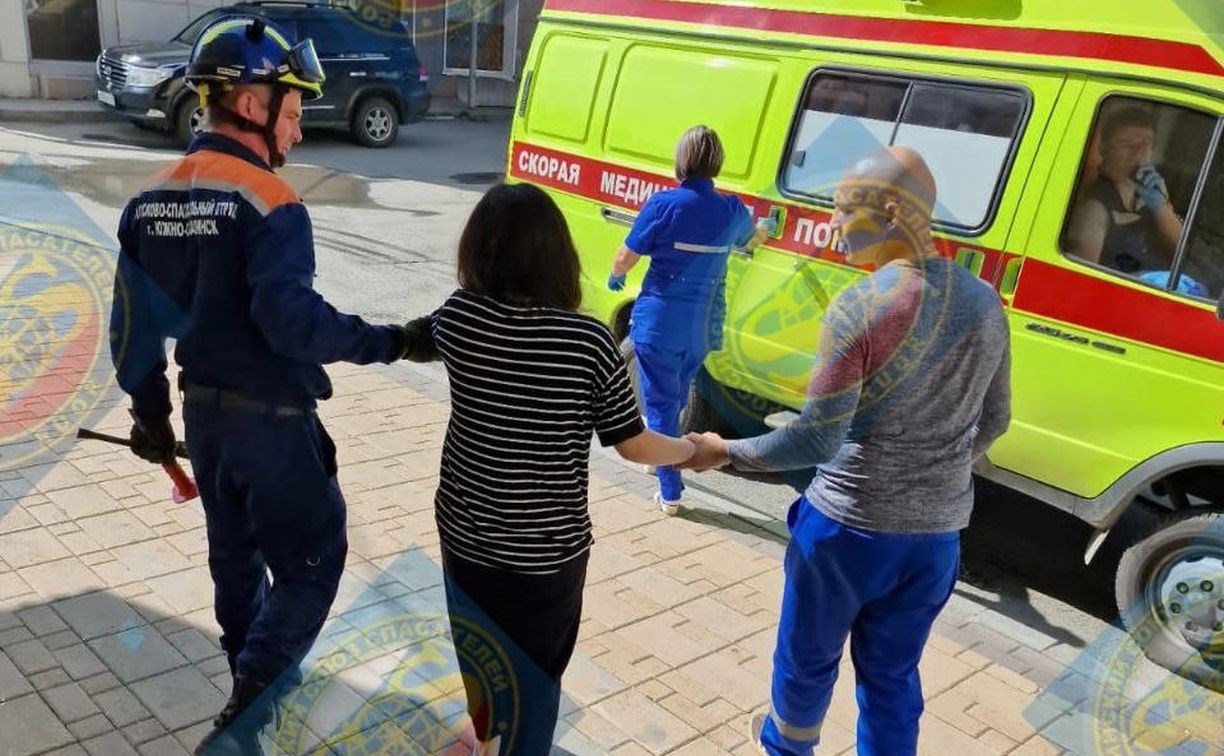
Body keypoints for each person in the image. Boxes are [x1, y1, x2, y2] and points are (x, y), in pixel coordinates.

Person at [108, 17, 413, 754]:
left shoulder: (147, 200)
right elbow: (291, 322)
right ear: (251, 104)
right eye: (295, 109)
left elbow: (132, 334)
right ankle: (246, 712)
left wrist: (152, 416)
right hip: (273, 429)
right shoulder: (270, 201)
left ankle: (255, 703)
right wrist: (390, 341)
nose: (298, 130)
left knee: (238, 567)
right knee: (314, 564)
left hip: (207, 425)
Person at [680, 147, 1012, 756]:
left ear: (889, 212)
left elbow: (816, 437)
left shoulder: (860, 309)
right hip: (936, 540)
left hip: (846, 533)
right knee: (892, 679)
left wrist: (719, 449)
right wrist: (931, 477)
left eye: (840, 210)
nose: (831, 225)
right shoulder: (985, 302)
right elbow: (996, 419)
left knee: (806, 663)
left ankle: (786, 747)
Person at [402, 183, 695, 753]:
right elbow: (632, 446)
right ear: (558, 252)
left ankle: (490, 739)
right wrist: (690, 450)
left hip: (465, 537)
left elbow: (417, 338)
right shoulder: (586, 341)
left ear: (479, 250)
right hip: (545, 555)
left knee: (482, 666)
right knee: (534, 685)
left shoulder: (461, 317)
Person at [607, 125, 766, 515]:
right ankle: (657, 457)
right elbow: (751, 241)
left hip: (660, 321)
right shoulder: (731, 209)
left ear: (681, 160)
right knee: (677, 392)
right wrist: (768, 229)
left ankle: (671, 490)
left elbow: (625, 257)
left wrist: (617, 276)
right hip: (702, 326)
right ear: (717, 164)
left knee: (660, 402)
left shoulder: (664, 205)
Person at [1066, 106, 1183, 272]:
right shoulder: (1095, 209)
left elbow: (1182, 250)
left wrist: (1162, 207)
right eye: (1127, 145)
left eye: (1146, 144)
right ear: (1104, 150)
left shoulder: (1148, 193)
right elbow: (1080, 275)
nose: (1139, 153)